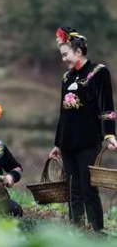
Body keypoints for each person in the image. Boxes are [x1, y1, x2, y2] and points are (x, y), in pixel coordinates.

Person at [49, 26, 117, 231]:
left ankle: (97, 231)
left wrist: (110, 135)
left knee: (88, 189)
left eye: (65, 55)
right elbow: (64, 115)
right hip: (68, 142)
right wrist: (57, 144)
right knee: (73, 190)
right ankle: (75, 231)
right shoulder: (66, 78)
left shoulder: (99, 72)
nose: (64, 60)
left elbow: (107, 107)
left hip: (88, 141)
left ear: (78, 51)